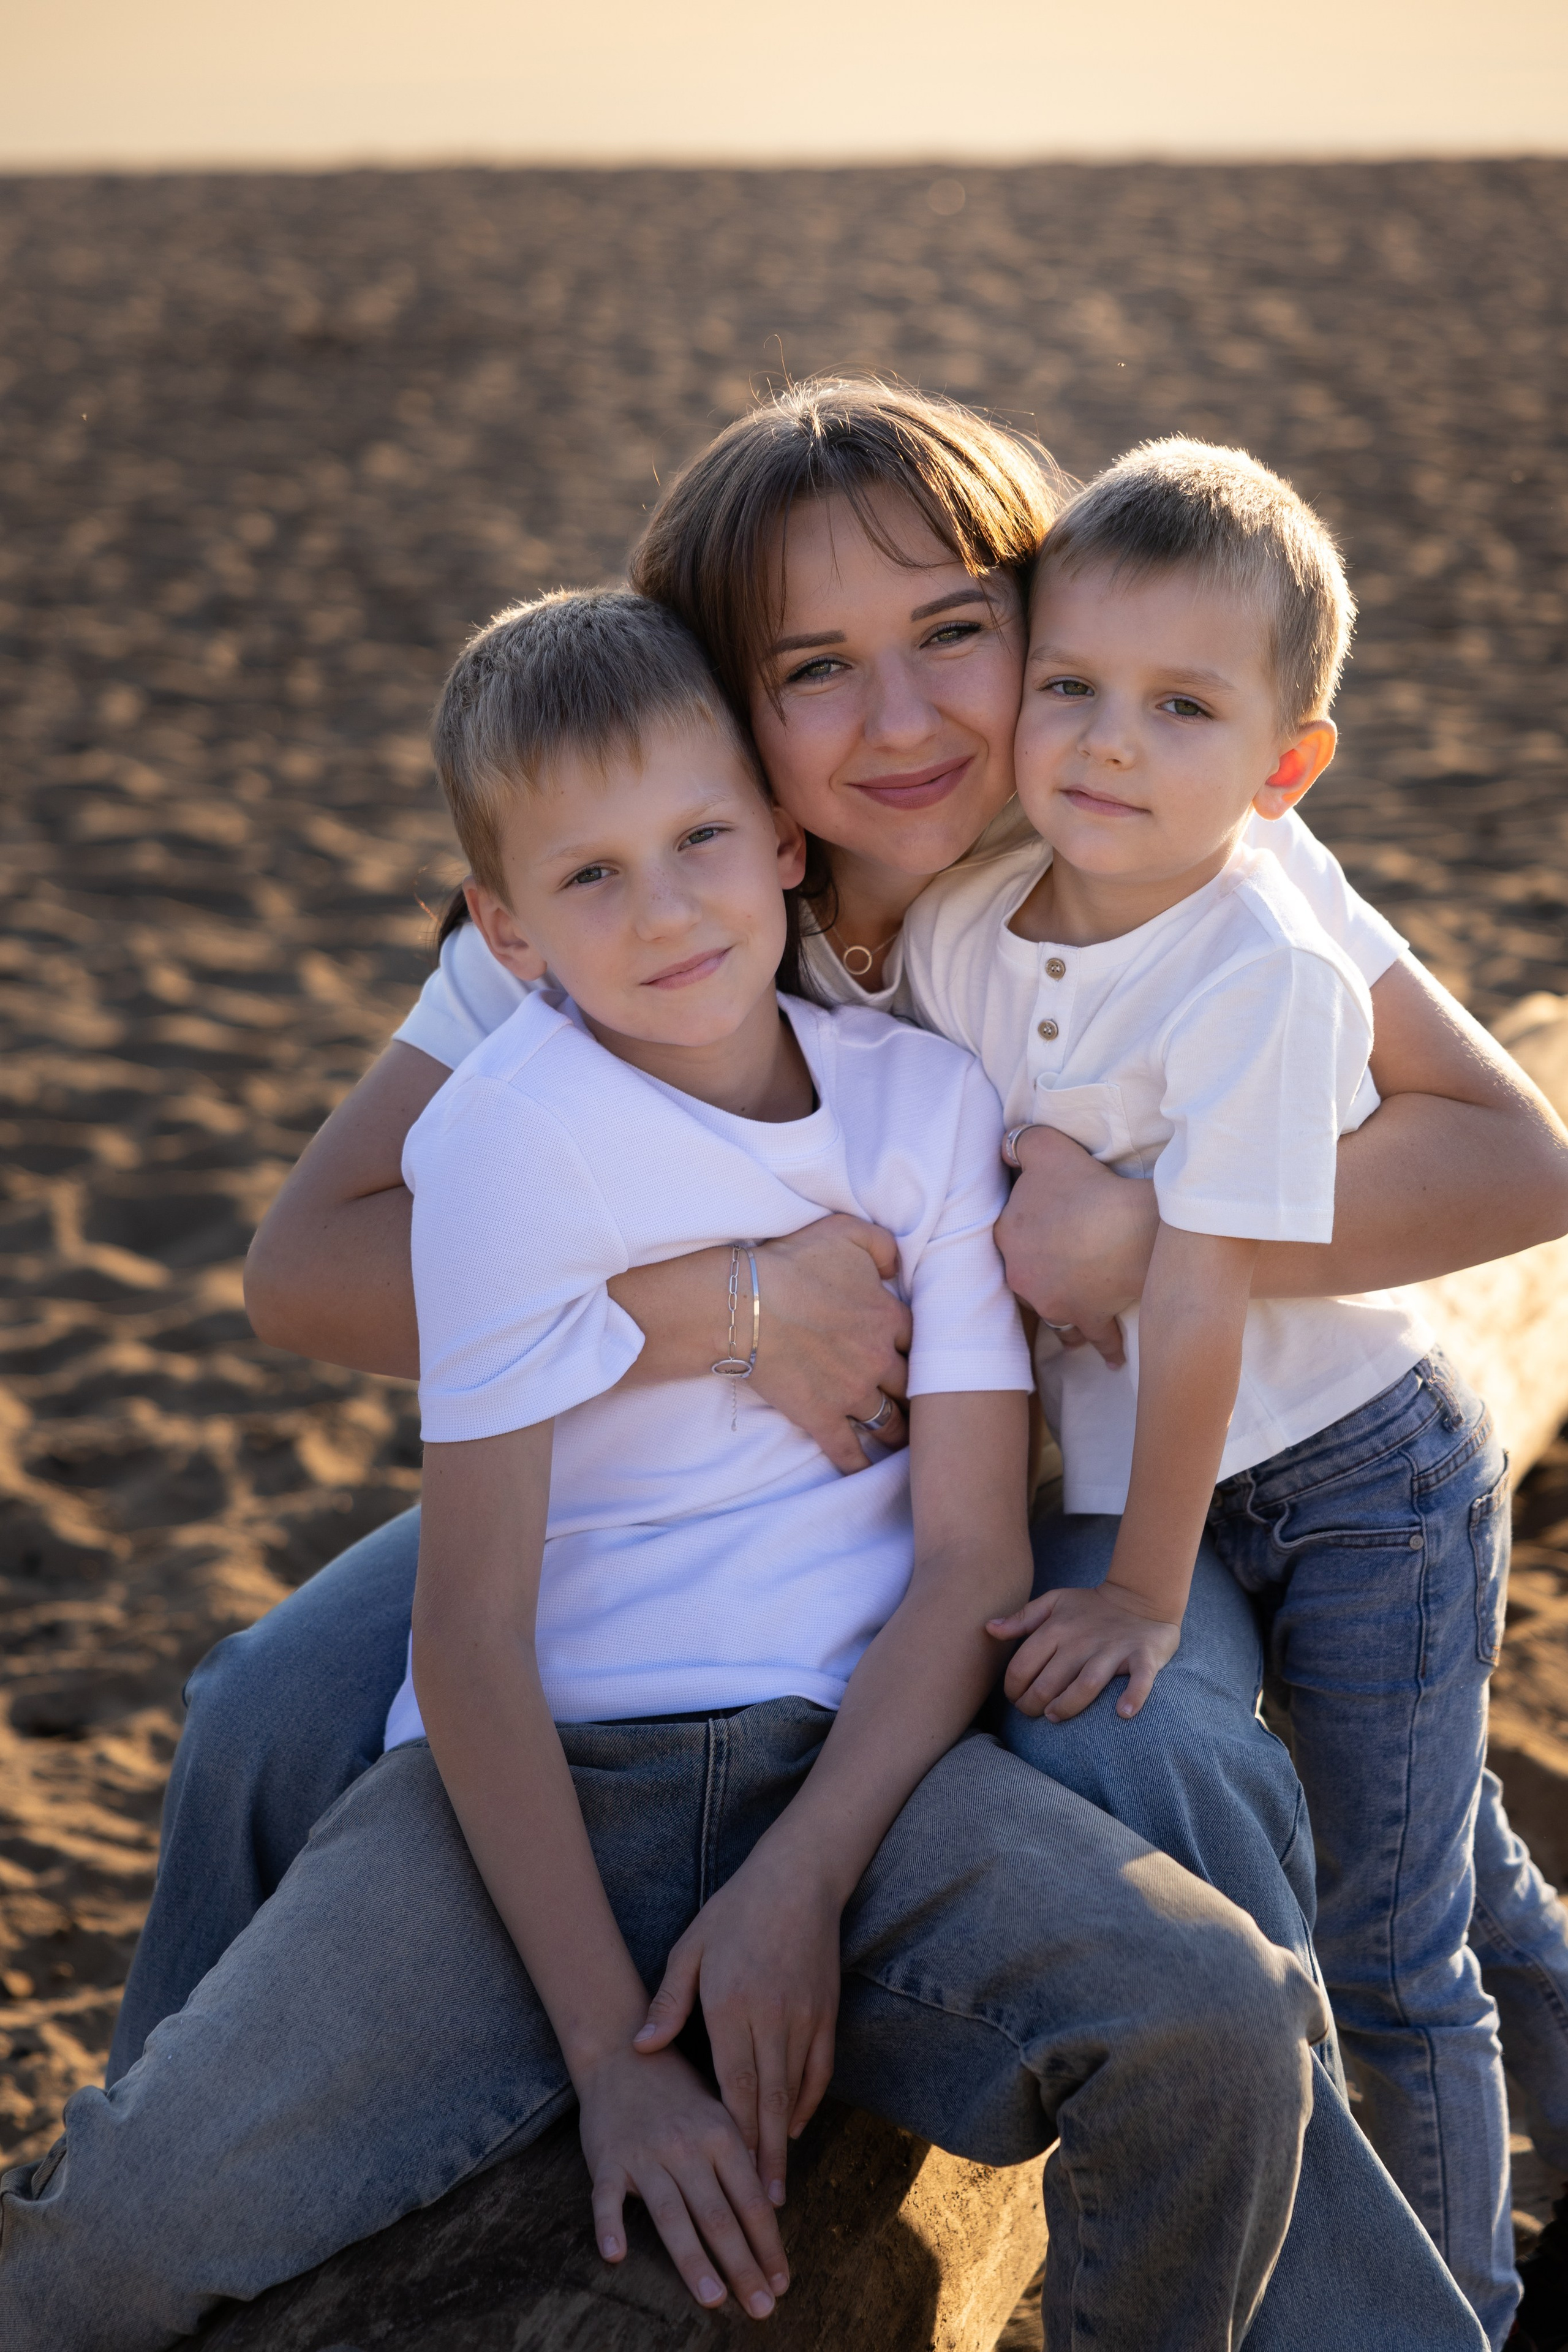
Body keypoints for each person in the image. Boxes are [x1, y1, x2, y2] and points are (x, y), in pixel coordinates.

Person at [101, 382, 1568, 2336]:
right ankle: (194, 2168)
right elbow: (314, 1271)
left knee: (1224, 1776)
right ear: (723, 706)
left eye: (959, 635)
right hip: (698, 1465)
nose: (904, 723)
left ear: (1042, 627)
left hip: (1126, 1457)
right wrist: (722, 1308)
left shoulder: (1151, 843)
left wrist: (1146, 1235)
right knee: (277, 1694)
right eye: (814, 670)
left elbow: (1507, 1154)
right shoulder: (658, 879)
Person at [902, 435, 1517, 2341]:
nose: (1104, 741)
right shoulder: (964, 930)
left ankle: (1461, 2301)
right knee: (1442, 1843)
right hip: (1192, 1461)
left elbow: (1202, 1294)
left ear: (1284, 767)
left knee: (1394, 1940)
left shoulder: (1264, 963)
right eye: (1070, 685)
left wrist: (1149, 1593)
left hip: (1352, 1487)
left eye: (1182, 707)